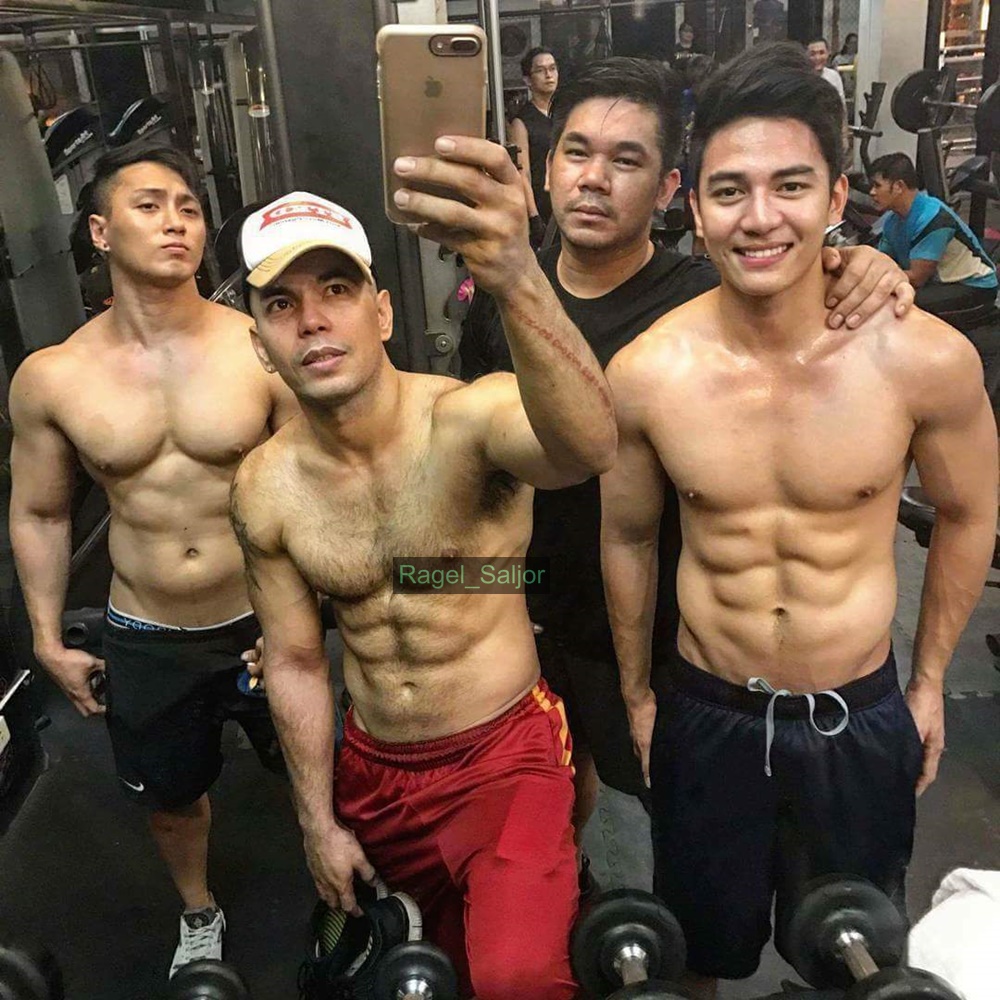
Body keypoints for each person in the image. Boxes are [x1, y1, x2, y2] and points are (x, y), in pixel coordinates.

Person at [601, 44, 998, 999]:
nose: (759, 217)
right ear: (696, 209)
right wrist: (639, 697)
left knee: (851, 959)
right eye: (729, 191)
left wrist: (929, 682)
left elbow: (968, 511)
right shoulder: (648, 373)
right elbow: (627, 536)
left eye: (790, 185)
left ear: (836, 199)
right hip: (708, 710)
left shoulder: (923, 359)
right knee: (696, 954)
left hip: (855, 713)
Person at [459, 56, 917, 879]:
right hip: (527, 608)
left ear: (673, 190)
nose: (593, 179)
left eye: (626, 160)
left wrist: (861, 263)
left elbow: (797, 279)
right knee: (545, 790)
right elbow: (476, 464)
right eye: (576, 152)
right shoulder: (504, 299)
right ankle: (565, 895)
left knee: (677, 813)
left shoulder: (705, 300)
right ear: (547, 166)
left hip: (660, 628)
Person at [228, 146, 617, 999]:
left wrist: (514, 271)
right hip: (375, 769)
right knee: (428, 973)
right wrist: (316, 821)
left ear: (384, 312)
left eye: (337, 290)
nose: (313, 321)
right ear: (260, 344)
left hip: (504, 754)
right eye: (282, 304)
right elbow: (294, 660)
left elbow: (590, 447)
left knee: (516, 979)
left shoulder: (469, 419)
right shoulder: (264, 488)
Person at [8, 145, 299, 979]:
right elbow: (40, 511)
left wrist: (305, 613)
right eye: (149, 205)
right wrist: (45, 637)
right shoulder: (53, 377)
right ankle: (199, 913)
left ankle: (345, 884)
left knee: (323, 769)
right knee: (171, 798)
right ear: (100, 231)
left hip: (263, 617)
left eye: (188, 207)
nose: (176, 222)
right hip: (147, 630)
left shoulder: (262, 346)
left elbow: (316, 491)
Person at [870, 152, 999, 316]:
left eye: (877, 186)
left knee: (901, 304)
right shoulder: (892, 221)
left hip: (974, 285)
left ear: (898, 186)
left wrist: (874, 279)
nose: (872, 192)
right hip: (940, 283)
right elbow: (881, 260)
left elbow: (917, 278)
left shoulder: (933, 219)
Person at [510, 46, 558, 240]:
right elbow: (523, 173)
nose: (549, 75)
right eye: (540, 70)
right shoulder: (522, 122)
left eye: (552, 68)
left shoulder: (567, 113)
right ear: (528, 80)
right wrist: (534, 216)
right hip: (543, 207)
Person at [807, 36, 846, 105]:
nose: (817, 58)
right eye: (812, 54)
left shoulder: (834, 76)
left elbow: (841, 104)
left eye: (821, 53)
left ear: (828, 54)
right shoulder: (800, 77)